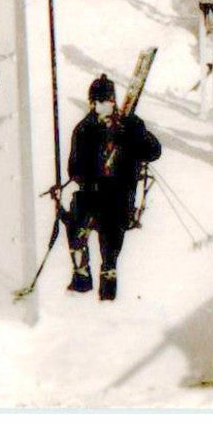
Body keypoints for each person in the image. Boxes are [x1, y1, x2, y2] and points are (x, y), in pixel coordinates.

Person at [65, 75, 163, 300]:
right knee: (76, 221)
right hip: (92, 192)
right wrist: (92, 177)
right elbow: (74, 169)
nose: (103, 106)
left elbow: (154, 151)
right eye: (98, 101)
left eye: (107, 101)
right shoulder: (84, 129)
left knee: (111, 230)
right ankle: (81, 275)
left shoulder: (130, 124)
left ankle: (108, 282)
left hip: (119, 194)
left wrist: (137, 137)